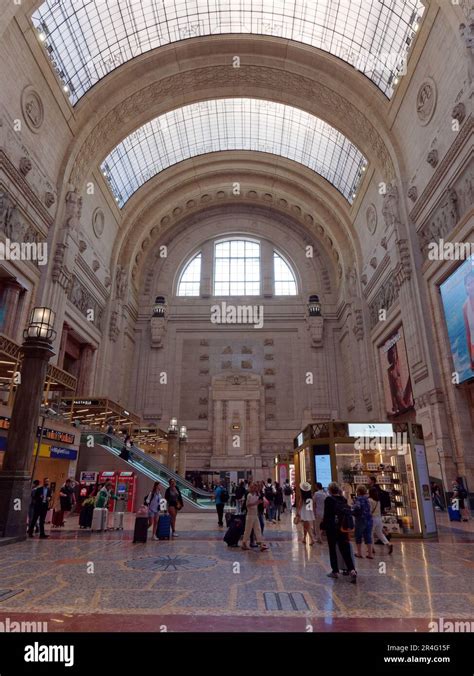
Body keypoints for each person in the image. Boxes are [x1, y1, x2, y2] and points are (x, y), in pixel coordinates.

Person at [321, 481, 357, 583]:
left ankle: (335, 571)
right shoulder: (343, 499)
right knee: (345, 550)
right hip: (342, 527)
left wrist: (323, 527)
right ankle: (352, 570)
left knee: (332, 549)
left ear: (330, 490)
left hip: (332, 528)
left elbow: (327, 515)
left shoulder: (328, 500)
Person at [241, 483, 268, 551]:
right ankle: (244, 543)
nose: (255, 489)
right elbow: (247, 505)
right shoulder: (249, 495)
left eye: (255, 487)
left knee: (258, 529)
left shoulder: (256, 495)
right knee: (248, 530)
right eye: (253, 487)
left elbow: (260, 500)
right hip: (250, 515)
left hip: (255, 515)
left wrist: (261, 502)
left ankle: (261, 544)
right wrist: (256, 503)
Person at [369, 486, 393, 555]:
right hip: (379, 518)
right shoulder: (378, 501)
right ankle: (388, 544)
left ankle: (371, 548)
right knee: (380, 533)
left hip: (372, 519)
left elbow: (370, 510)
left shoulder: (370, 500)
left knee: (370, 533)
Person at [352, 485, 373, 559]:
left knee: (358, 535)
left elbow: (357, 508)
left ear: (358, 491)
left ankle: (359, 552)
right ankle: (370, 553)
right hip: (369, 519)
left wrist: (352, 510)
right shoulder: (367, 499)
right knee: (368, 535)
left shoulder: (358, 499)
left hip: (360, 519)